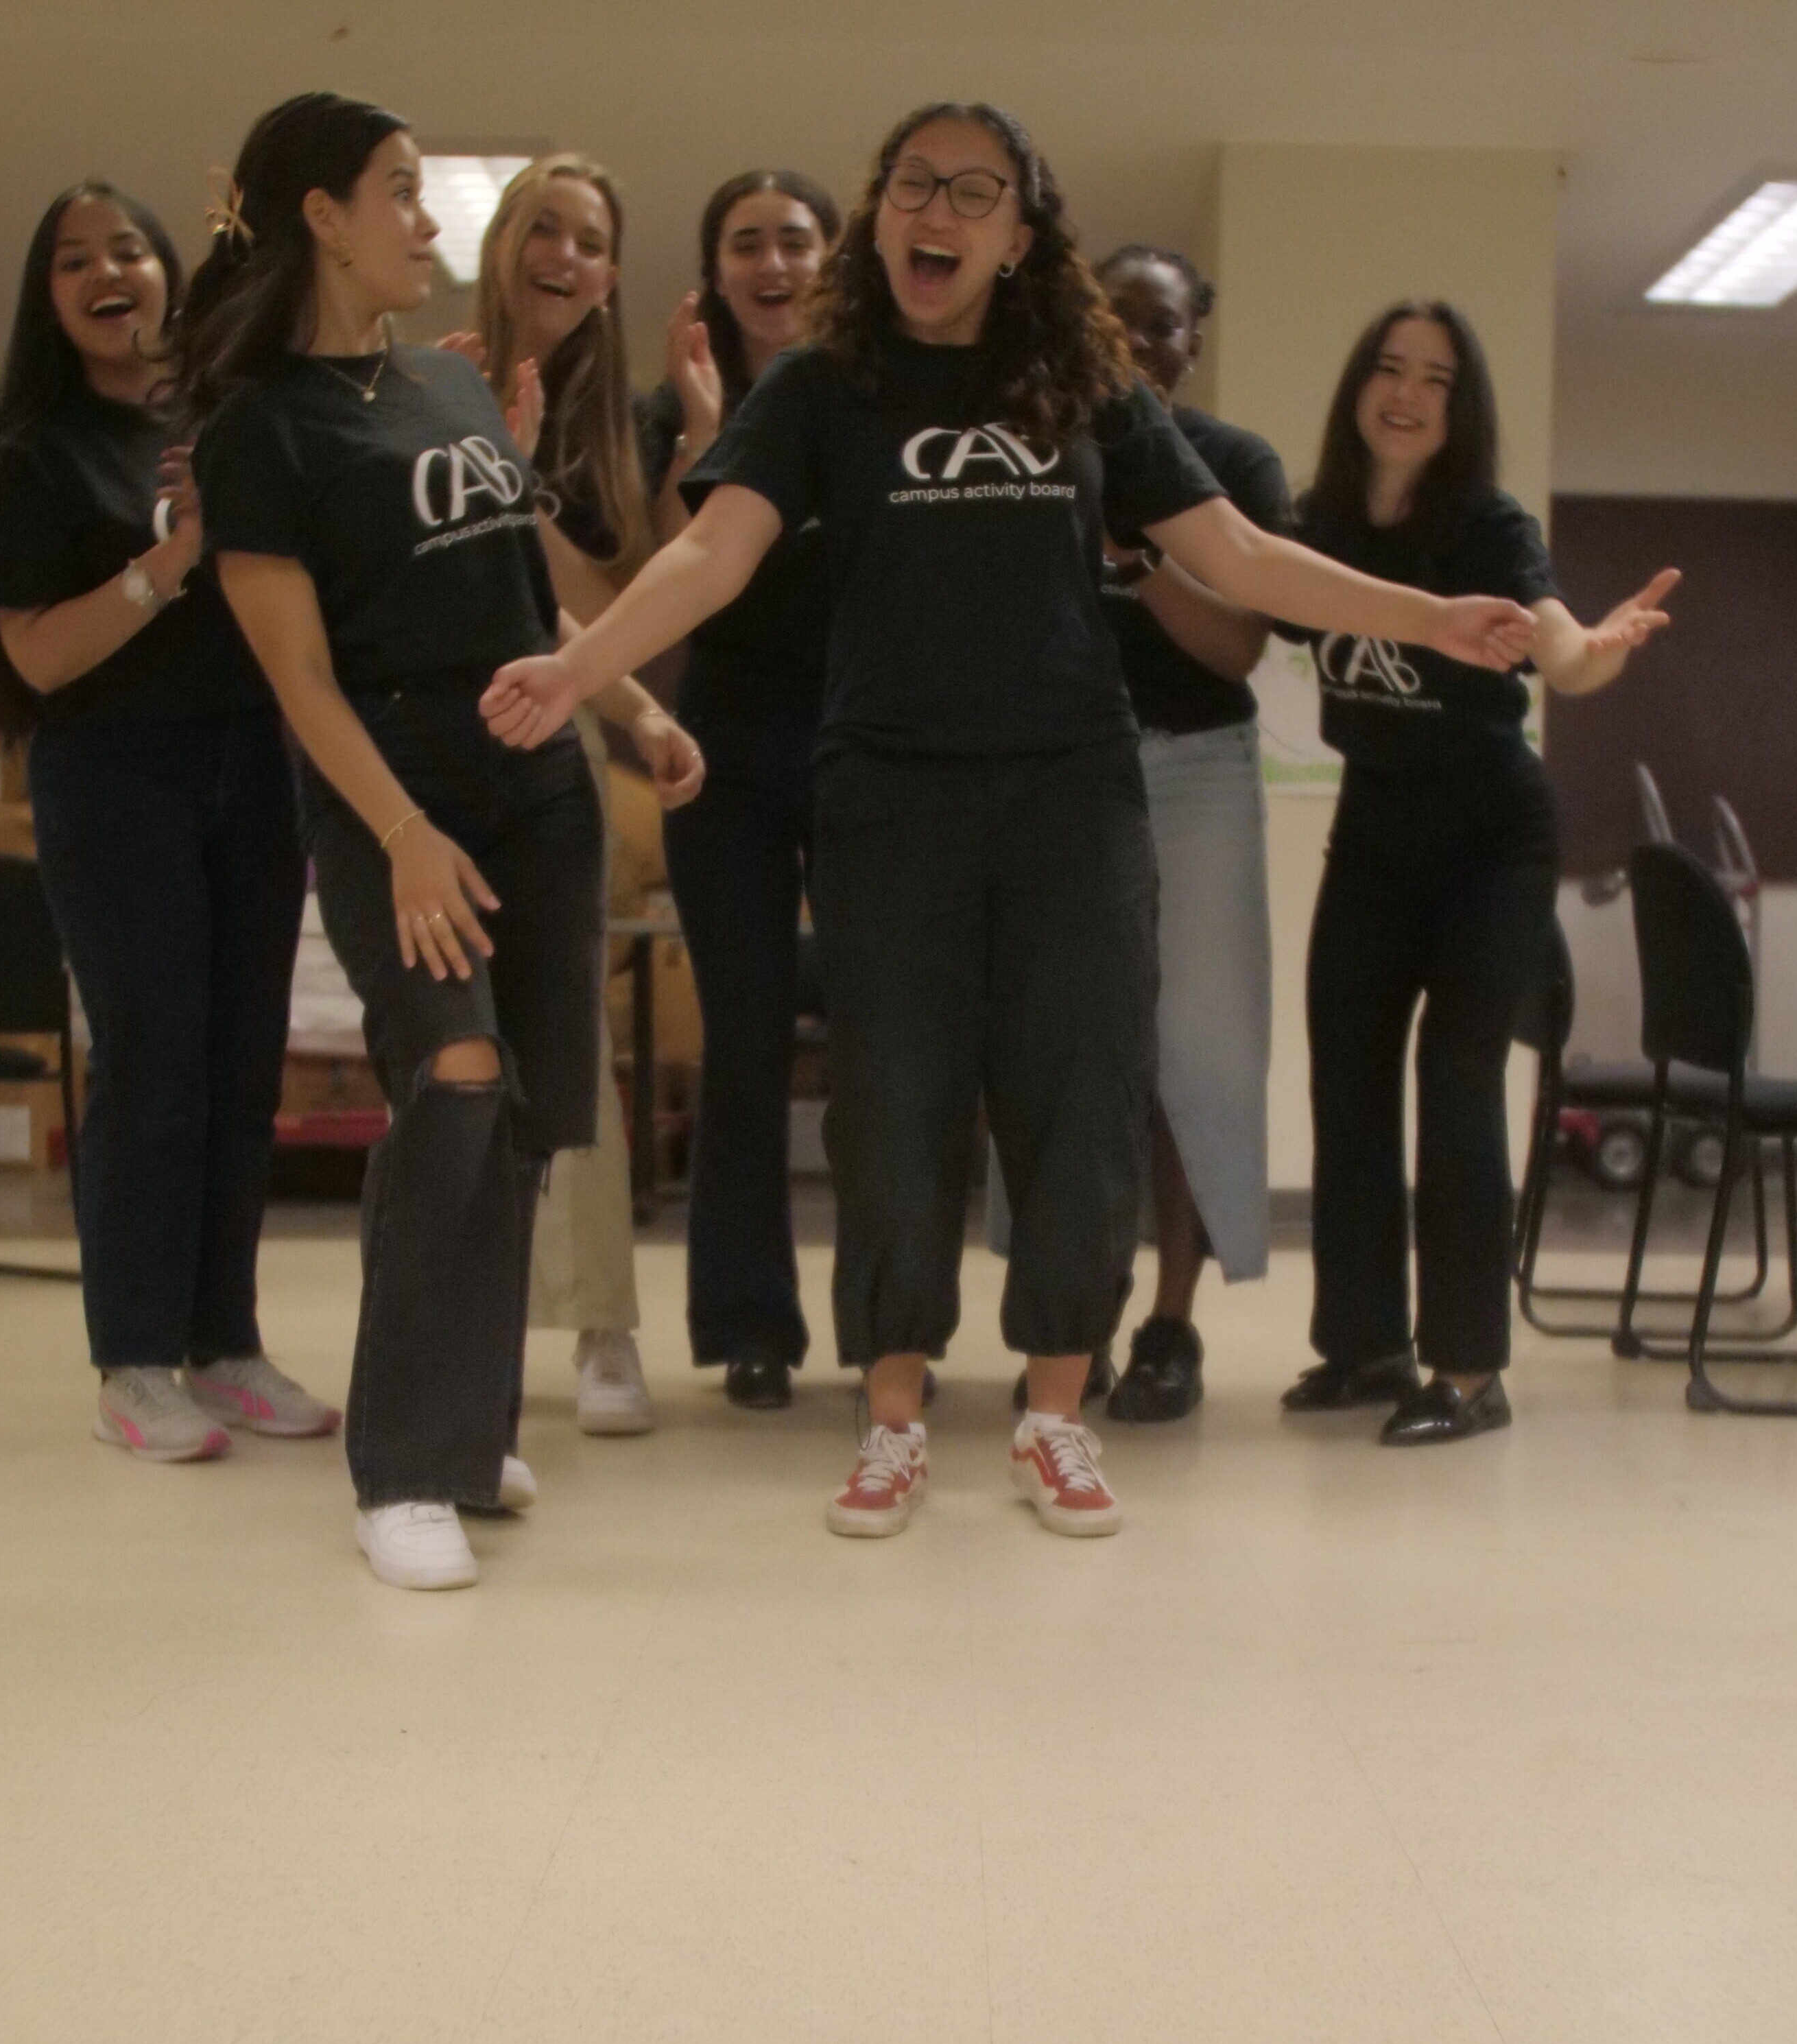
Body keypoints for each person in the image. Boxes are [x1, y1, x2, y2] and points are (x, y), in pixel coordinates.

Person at [481, 102, 1537, 1543]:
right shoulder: (824, 385)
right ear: (881, 219)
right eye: (915, 183)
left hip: (1071, 793)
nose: (939, 209)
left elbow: (1236, 552)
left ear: (1019, 237)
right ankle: (892, 1422)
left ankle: (1054, 1418)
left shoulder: (1084, 384)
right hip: (888, 794)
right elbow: (712, 554)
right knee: (892, 1102)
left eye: (974, 191)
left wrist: (1430, 619)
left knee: (1080, 1094)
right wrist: (579, 670)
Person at [182, 92, 610, 1589]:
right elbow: (300, 679)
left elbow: (522, 599)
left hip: (537, 776)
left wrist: (628, 705)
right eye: (402, 191)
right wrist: (407, 833)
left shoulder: (448, 386)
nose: (430, 224)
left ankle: (465, 1425)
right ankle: (406, 1469)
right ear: (321, 214)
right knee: (455, 1075)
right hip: (393, 787)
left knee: (524, 1112)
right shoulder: (257, 427)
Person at [0, 182, 332, 1464]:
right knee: (153, 1061)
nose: (108, 274)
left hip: (254, 764)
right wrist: (170, 562)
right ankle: (132, 1361)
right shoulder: (34, 453)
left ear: (172, 273)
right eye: (75, 261)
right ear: (49, 299)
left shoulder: (220, 421)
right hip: (114, 779)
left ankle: (223, 1345)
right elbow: (39, 657)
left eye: (129, 249)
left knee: (243, 1065)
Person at [1279, 300, 1676, 1444]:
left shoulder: (1488, 526)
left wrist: (1594, 653)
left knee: (1456, 1084)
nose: (1406, 394)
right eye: (1390, 369)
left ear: (1463, 410)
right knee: (1346, 1077)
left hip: (1491, 841)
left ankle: (1466, 1372)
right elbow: (1255, 596)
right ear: (1359, 386)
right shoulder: (1319, 522)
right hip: (1372, 832)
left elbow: (1559, 644)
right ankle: (1364, 1346)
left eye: (1436, 379)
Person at [989, 241, 1290, 1423]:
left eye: (1161, 324)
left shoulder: (1232, 464)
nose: (1138, 342)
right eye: (1115, 319)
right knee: (1062, 1057)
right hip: (1061, 773)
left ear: (1193, 339)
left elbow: (1236, 647)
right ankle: (1076, 1320)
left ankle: (1170, 1324)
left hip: (1200, 770)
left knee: (1195, 1063)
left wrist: (1137, 553)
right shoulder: (1031, 449)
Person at [464, 153, 706, 1438]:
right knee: (449, 1058)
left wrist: (515, 491)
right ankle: (463, 1328)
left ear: (611, 277)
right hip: (436, 760)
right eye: (542, 228)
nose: (563, 255)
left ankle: (603, 1324)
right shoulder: (425, 382)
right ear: (501, 242)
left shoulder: (622, 425)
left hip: (559, 759)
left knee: (569, 1053)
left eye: (590, 241)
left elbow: (615, 616)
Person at [641, 169, 842, 1411]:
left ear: (833, 259)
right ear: (716, 272)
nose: (773, 265)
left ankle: (888, 1320)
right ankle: (748, 1324)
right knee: (746, 1037)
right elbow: (672, 574)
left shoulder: (871, 393)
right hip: (724, 747)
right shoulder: (675, 401)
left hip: (861, 741)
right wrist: (707, 433)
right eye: (747, 245)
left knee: (883, 1041)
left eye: (795, 242)